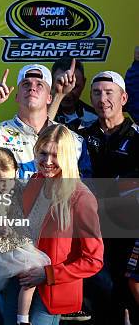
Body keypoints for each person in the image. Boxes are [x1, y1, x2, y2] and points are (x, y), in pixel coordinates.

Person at [1, 124, 103, 325]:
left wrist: (47, 274)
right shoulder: (34, 181)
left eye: (55, 155)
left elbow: (94, 260)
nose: (48, 161)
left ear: (67, 157)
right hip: (18, 280)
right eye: (43, 153)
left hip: (53, 291)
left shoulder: (81, 197)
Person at [77, 70, 139, 323]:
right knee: (100, 311)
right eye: (96, 93)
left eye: (109, 93)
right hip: (93, 237)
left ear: (123, 98)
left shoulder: (137, 136)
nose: (102, 99)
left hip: (130, 236)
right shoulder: (80, 135)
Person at [0, 65, 92, 178]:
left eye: (39, 85)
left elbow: (86, 185)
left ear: (49, 97)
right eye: (26, 84)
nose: (32, 88)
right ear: (16, 97)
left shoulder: (73, 140)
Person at [0, 147, 50, 325]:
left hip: (19, 244)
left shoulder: (20, 187)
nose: (5, 184)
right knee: (32, 268)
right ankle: (21, 318)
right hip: (1, 251)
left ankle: (22, 317)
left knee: (32, 273)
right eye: (0, 181)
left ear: (16, 172)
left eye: (9, 178)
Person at [48, 57, 97, 131]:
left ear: (83, 83)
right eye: (61, 84)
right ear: (51, 82)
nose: (67, 93)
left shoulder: (95, 117)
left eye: (74, 86)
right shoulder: (36, 113)